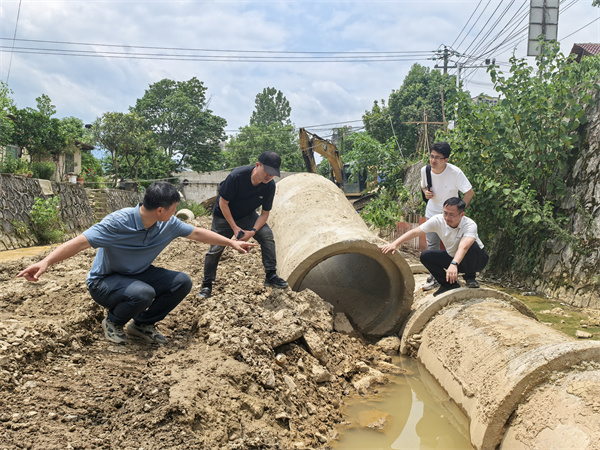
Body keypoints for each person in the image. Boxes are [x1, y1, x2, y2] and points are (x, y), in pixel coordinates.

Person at [17, 181, 255, 345]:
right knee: (143, 293)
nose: (175, 213)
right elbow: (79, 243)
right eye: (173, 209)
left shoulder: (167, 223)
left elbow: (197, 233)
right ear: (160, 210)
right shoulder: (117, 222)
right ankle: (113, 322)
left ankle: (141, 325)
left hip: (138, 274)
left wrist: (231, 243)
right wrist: (46, 262)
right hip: (105, 282)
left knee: (182, 282)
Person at [198, 151, 288, 299]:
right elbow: (223, 203)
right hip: (224, 216)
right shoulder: (237, 176)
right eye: (267, 171)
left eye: (273, 173)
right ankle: (207, 285)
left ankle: (271, 275)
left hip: (247, 215)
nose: (269, 176)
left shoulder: (269, 186)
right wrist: (234, 228)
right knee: (215, 248)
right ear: (257, 165)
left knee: (266, 235)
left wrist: (252, 231)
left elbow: (265, 213)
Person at [381, 197, 488, 297]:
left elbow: (464, 247)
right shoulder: (438, 220)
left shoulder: (469, 225)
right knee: (426, 256)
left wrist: (454, 264)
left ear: (462, 215)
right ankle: (448, 284)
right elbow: (415, 232)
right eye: (445, 213)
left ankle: (470, 278)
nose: (447, 217)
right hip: (454, 258)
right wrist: (394, 244)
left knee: (471, 245)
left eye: (452, 215)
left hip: (477, 261)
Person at [421, 142, 474, 291]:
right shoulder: (425, 170)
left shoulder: (455, 173)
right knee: (432, 246)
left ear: (446, 159)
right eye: (431, 156)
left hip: (452, 216)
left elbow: (469, 192)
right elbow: (423, 185)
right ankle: (435, 278)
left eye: (437, 157)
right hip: (432, 213)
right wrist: (426, 192)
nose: (433, 160)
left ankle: (470, 277)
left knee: (461, 245)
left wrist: (458, 213)